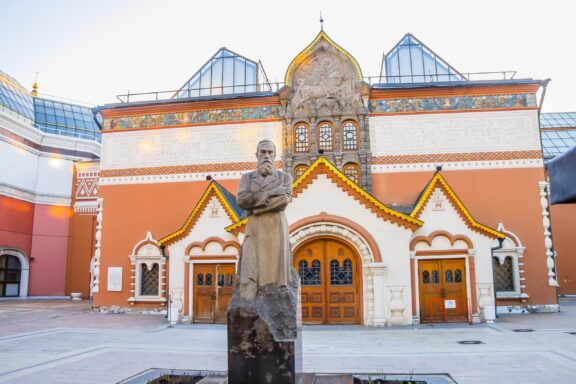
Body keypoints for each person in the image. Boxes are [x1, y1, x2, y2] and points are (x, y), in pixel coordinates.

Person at [236, 140, 293, 300]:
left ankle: (272, 298)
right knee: (250, 265)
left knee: (273, 271)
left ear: (275, 155)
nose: (266, 156)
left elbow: (283, 201)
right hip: (254, 229)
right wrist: (271, 193)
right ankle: (249, 299)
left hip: (275, 228)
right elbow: (241, 200)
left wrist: (254, 209)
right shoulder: (247, 178)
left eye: (270, 152)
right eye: (263, 152)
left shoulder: (285, 178)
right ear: (257, 155)